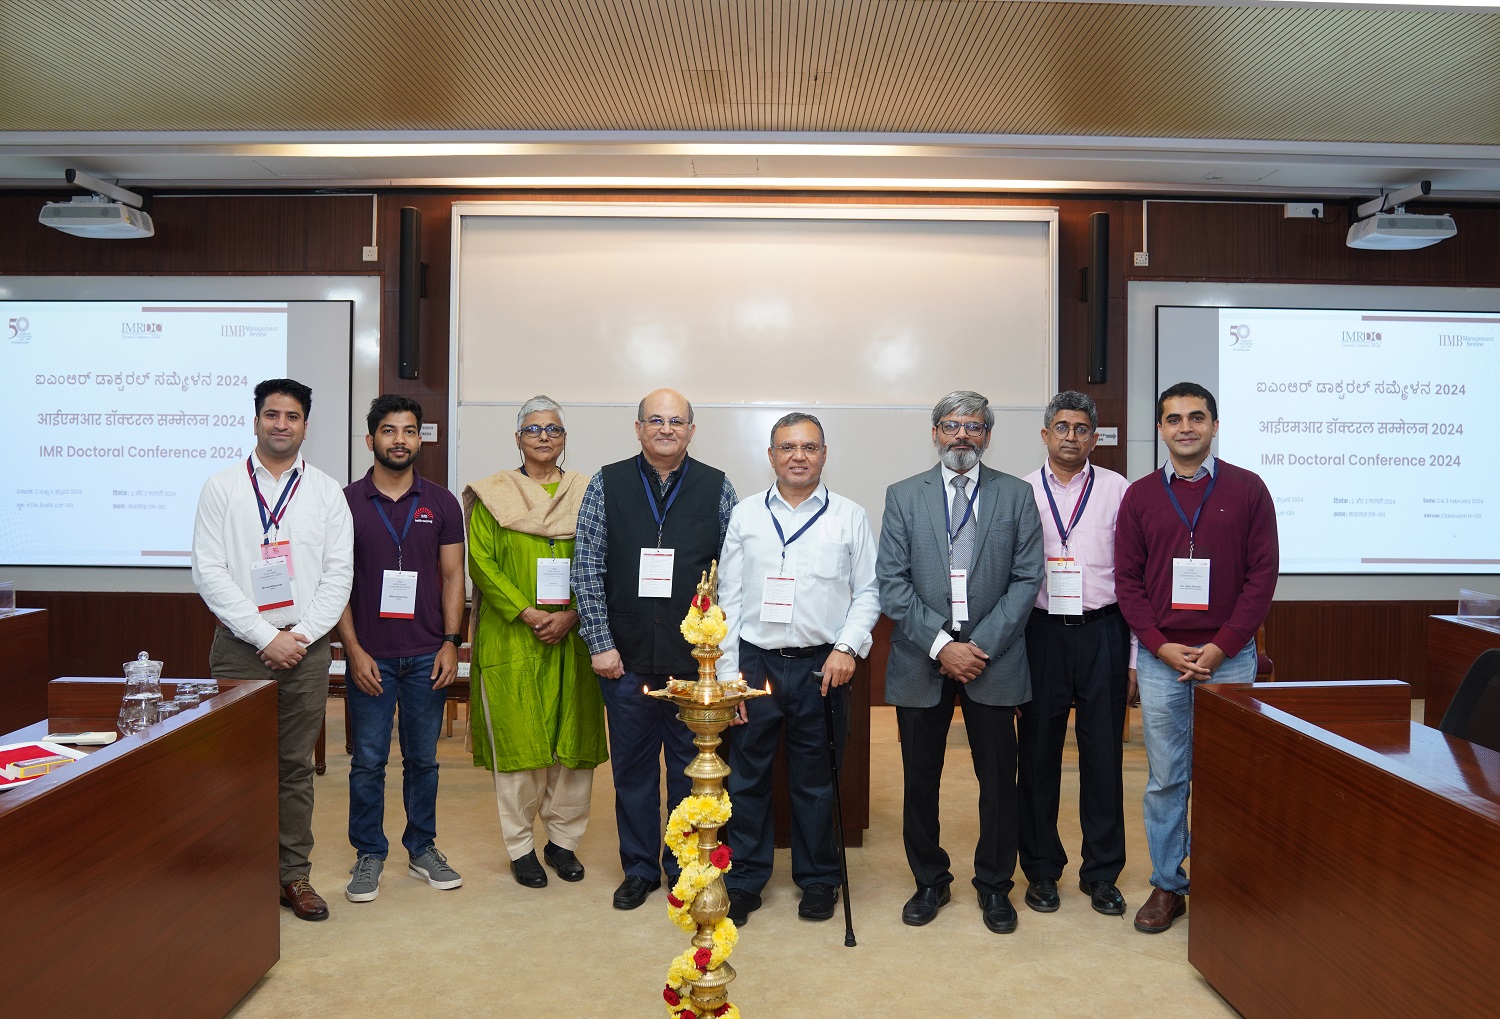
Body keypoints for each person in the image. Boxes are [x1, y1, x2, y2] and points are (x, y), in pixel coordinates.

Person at [876, 390, 1043, 935]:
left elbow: (1026, 579)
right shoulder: (903, 495)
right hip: (921, 660)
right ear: (935, 433)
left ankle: (995, 885)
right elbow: (892, 585)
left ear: (988, 435)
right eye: (951, 425)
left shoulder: (1017, 495)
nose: (962, 435)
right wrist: (942, 646)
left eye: (973, 426)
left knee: (998, 781)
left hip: (992, 660)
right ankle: (930, 880)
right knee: (919, 779)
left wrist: (979, 647)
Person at [1115, 381, 1278, 934]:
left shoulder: (1250, 489)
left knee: (1228, 775)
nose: (1186, 427)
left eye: (1197, 417)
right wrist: (1160, 646)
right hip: (1162, 658)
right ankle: (1168, 884)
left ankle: (1226, 879)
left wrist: (1221, 646)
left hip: (1228, 658)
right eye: (1174, 418)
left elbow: (1262, 579)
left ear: (1214, 425)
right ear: (1160, 428)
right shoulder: (1138, 496)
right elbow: (1127, 583)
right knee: (1166, 777)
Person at [191, 378, 354, 922]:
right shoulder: (222, 487)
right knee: (235, 766)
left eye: (292, 416)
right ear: (256, 419)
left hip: (305, 650)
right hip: (241, 647)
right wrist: (266, 636)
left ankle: (293, 876)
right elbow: (209, 572)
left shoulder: (327, 493)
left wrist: (300, 636)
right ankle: (236, 874)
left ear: (306, 424)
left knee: (292, 769)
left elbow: (339, 575)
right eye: (271, 414)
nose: (280, 424)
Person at [572, 388, 737, 910]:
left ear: (692, 430)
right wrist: (600, 644)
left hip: (696, 667)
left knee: (693, 771)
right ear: (638, 428)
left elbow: (733, 578)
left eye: (677, 421)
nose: (666, 429)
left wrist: (723, 662)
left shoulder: (717, 487)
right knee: (634, 773)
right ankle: (640, 868)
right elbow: (587, 568)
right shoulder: (607, 483)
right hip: (625, 660)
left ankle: (687, 870)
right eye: (656, 420)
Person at [716, 412, 879, 926]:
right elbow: (729, 599)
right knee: (746, 779)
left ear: (824, 454)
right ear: (771, 456)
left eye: (809, 447)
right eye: (787, 447)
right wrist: (727, 676)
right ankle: (743, 880)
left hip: (821, 667)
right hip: (755, 665)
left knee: (816, 781)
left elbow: (869, 593)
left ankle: (818, 880)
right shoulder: (744, 515)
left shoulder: (849, 516)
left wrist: (848, 649)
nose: (798, 456)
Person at [464, 395, 607, 889]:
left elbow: (604, 558)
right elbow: (481, 562)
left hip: (575, 636)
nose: (544, 437)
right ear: (518, 438)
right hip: (511, 637)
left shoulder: (589, 493)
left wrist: (571, 614)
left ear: (564, 438)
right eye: (533, 429)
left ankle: (563, 843)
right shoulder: (492, 495)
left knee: (573, 744)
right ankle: (521, 847)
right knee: (519, 743)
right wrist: (527, 611)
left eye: (553, 429)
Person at [336, 395, 465, 904]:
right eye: (389, 431)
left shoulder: (442, 502)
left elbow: (453, 575)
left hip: (426, 654)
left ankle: (422, 848)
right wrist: (352, 650)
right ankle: (369, 853)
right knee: (367, 761)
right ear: (371, 440)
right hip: (370, 656)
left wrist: (452, 643)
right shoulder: (344, 502)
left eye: (409, 431)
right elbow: (336, 582)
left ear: (419, 440)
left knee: (423, 760)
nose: (399, 440)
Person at [1018, 391, 1134, 919]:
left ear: (1094, 437)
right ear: (1045, 435)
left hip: (1103, 632)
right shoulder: (1020, 492)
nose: (1071, 436)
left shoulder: (1118, 490)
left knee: (1104, 756)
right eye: (1061, 427)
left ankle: (1102, 872)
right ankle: (1041, 869)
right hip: (1041, 634)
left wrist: (1132, 656)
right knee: (1038, 754)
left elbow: (1132, 578)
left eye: (1082, 428)